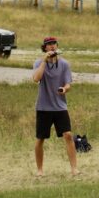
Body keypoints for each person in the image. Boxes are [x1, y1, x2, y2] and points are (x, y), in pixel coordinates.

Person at [32, 35, 78, 177]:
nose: (52, 46)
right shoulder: (39, 63)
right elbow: (36, 79)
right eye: (49, 44)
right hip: (43, 107)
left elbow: (68, 83)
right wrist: (44, 62)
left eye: (54, 44)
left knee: (68, 135)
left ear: (57, 46)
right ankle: (40, 170)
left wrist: (65, 89)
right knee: (40, 139)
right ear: (45, 48)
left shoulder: (64, 64)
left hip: (60, 106)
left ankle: (74, 168)